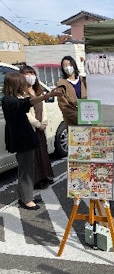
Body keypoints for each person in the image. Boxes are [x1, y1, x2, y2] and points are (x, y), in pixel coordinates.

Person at [2, 73, 62, 210]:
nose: (25, 84)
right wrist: (47, 96)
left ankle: (24, 197)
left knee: (26, 169)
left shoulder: (11, 99)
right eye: (22, 82)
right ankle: (27, 200)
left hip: (25, 139)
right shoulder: (9, 100)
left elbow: (25, 102)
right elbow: (26, 103)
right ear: (16, 84)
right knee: (26, 170)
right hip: (22, 140)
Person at [20, 66, 55, 189]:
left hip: (41, 127)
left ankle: (46, 176)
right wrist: (38, 124)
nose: (30, 76)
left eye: (32, 73)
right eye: (27, 73)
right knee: (34, 155)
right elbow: (26, 114)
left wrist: (44, 122)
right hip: (31, 129)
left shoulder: (38, 91)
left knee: (43, 153)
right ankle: (36, 180)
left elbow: (43, 108)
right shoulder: (20, 94)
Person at [57, 56, 87, 126]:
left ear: (74, 65)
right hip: (73, 124)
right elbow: (64, 107)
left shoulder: (84, 81)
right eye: (64, 66)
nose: (67, 67)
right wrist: (81, 119)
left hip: (89, 119)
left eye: (70, 65)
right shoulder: (61, 85)